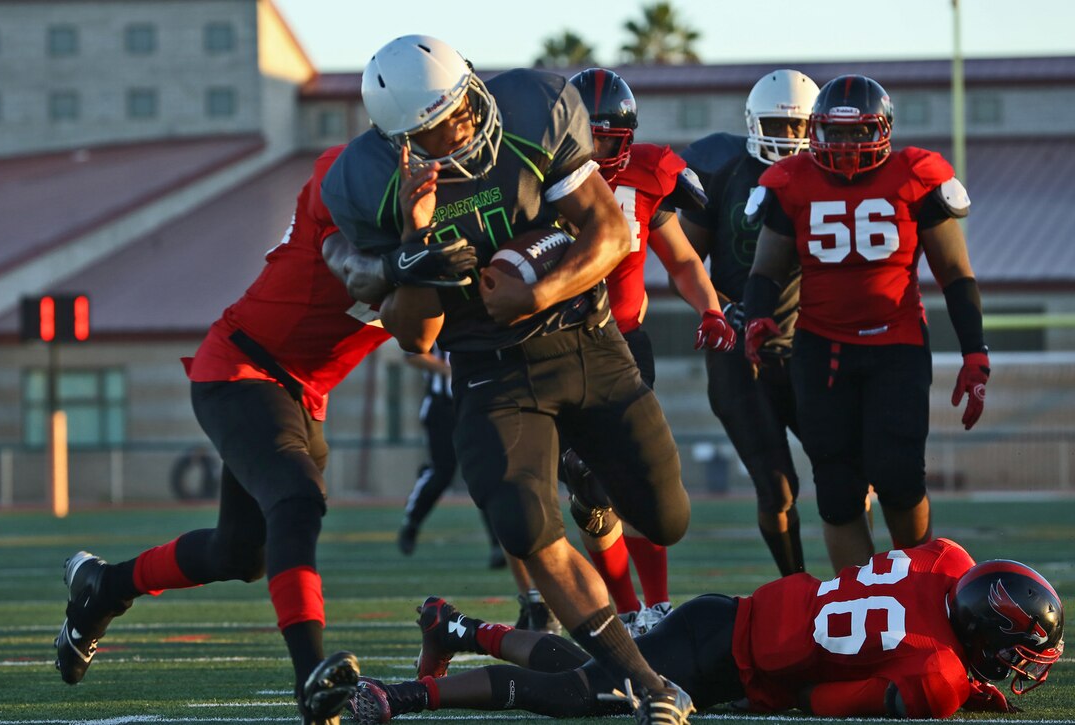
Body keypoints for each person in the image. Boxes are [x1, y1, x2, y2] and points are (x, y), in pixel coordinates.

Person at [320, 35, 694, 723]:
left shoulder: (531, 112)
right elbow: (416, 333)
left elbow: (609, 234)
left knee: (667, 517)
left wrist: (537, 292)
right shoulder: (369, 182)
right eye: (438, 125)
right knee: (523, 522)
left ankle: (594, 519)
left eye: (461, 106)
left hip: (586, 337)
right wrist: (414, 246)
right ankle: (646, 681)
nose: (462, 125)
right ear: (401, 138)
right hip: (491, 368)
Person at [53, 145, 391, 725]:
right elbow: (363, 271)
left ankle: (103, 586)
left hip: (302, 395)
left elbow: (423, 329)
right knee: (297, 499)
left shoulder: (450, 216)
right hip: (243, 367)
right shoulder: (345, 182)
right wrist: (421, 271)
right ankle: (311, 677)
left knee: (240, 552)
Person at [343, 538, 1064, 723]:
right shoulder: (937, 675)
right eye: (1016, 646)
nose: (1017, 660)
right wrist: (957, 686)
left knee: (588, 671)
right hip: (722, 662)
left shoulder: (946, 561)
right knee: (571, 695)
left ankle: (460, 624)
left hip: (724, 612)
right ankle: (402, 698)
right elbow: (816, 703)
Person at [742, 75, 991, 573]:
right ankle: (861, 600)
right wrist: (758, 316)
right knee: (836, 487)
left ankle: (916, 585)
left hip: (895, 344)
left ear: (884, 130)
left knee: (898, 476)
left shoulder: (915, 175)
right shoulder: (791, 181)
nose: (847, 144)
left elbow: (955, 274)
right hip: (822, 349)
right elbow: (766, 270)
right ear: (816, 133)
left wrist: (975, 352)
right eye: (835, 133)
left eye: (859, 132)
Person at [562, 67, 735, 636]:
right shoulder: (534, 177)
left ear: (626, 137)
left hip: (622, 346)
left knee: (636, 475)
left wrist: (710, 307)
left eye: (604, 139)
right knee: (586, 486)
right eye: (582, 137)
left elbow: (683, 259)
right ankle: (626, 607)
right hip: (552, 346)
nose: (592, 152)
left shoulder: (647, 176)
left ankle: (656, 605)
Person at [679, 69, 820, 577]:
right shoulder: (723, 169)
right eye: (774, 126)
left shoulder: (826, 177)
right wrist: (720, 307)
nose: (785, 139)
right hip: (739, 349)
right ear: (752, 123)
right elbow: (685, 261)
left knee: (850, 477)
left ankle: (865, 584)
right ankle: (798, 587)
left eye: (796, 126)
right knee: (776, 488)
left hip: (810, 346)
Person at [397, 344, 506, 570]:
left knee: (485, 473)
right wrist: (448, 369)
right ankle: (412, 521)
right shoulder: (435, 316)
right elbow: (412, 354)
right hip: (442, 406)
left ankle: (498, 544)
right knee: (442, 472)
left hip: (475, 404)